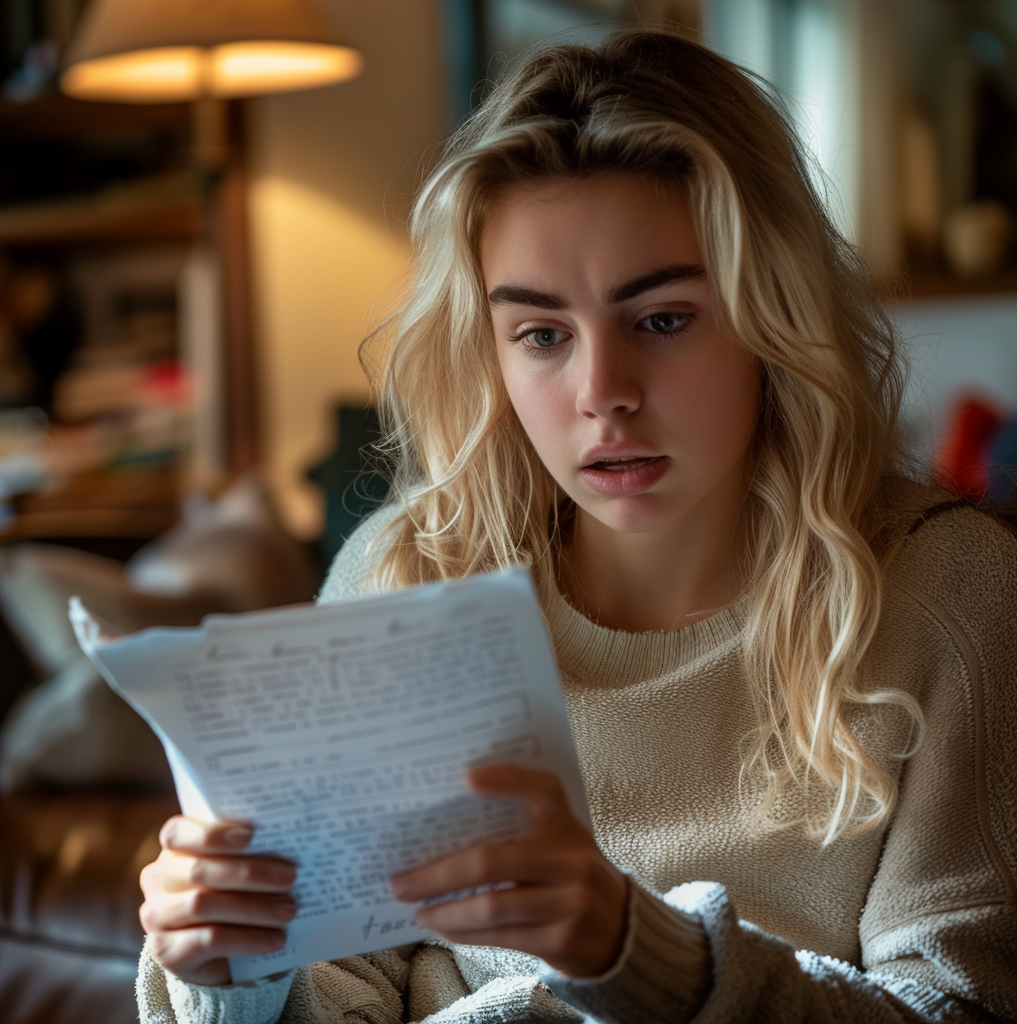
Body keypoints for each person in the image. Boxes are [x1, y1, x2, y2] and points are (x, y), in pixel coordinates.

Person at [136, 29, 1017, 1024]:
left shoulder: (952, 594)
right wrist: (235, 971)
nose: (603, 393)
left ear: (772, 315)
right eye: (542, 334)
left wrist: (638, 955)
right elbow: (346, 996)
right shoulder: (408, 574)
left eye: (663, 318)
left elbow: (962, 1010)